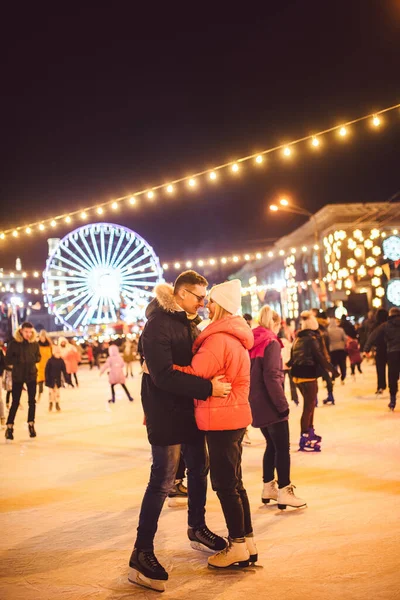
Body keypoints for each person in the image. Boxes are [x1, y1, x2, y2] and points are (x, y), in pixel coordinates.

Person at [128, 271, 232, 592]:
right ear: (181, 293)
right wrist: (208, 387)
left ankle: (196, 527)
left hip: (189, 410)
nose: (204, 303)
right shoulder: (158, 325)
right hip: (165, 412)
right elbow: (163, 375)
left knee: (199, 468)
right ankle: (141, 552)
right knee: (163, 478)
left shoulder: (190, 322)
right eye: (199, 297)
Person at [173, 279, 256, 568]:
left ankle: (237, 546)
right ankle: (247, 540)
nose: (206, 306)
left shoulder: (218, 340)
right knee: (236, 482)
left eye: (210, 302)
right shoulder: (235, 338)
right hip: (234, 416)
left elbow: (194, 374)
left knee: (224, 484)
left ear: (220, 306)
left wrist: (163, 368)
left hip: (221, 417)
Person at [250, 305, 306, 509]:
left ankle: (268, 487)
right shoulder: (271, 342)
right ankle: (284, 490)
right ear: (275, 323)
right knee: (282, 448)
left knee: (271, 445)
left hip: (255, 401)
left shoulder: (251, 341)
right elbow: (272, 376)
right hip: (271, 402)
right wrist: (282, 405)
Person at [290, 312, 339, 451]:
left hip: (297, 376)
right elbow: (319, 357)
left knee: (309, 405)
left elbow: (292, 357)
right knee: (309, 406)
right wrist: (332, 370)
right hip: (308, 375)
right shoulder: (311, 339)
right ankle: (304, 436)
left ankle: (309, 431)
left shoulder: (297, 338)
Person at [5, 322, 41, 440]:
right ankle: (9, 427)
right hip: (18, 376)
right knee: (15, 401)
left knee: (32, 401)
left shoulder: (34, 344)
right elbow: (8, 359)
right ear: (21, 331)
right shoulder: (14, 344)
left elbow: (38, 356)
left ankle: (31, 424)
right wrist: (18, 360)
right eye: (26, 332)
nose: (28, 334)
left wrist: (33, 359)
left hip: (31, 375)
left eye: (30, 332)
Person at [365, 307, 400, 410]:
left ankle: (392, 401)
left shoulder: (385, 325)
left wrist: (366, 348)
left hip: (392, 353)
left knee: (392, 377)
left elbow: (373, 336)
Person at [363, 308, 389, 394]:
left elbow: (371, 337)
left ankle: (381, 386)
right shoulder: (390, 324)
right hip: (390, 348)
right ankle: (393, 384)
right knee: (393, 368)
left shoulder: (375, 326)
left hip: (380, 348)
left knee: (380, 369)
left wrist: (367, 348)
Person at [45, 345, 68, 411]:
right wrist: (47, 379)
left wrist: (66, 378)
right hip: (50, 380)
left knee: (57, 393)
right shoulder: (50, 361)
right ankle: (51, 403)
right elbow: (46, 371)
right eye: (57, 353)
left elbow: (64, 370)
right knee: (51, 393)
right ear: (54, 353)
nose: (58, 354)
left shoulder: (61, 361)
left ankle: (57, 404)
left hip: (58, 379)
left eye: (59, 353)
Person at [327, 317, 348, 384]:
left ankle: (333, 378)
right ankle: (343, 378)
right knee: (342, 364)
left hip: (332, 349)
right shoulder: (340, 330)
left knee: (333, 365)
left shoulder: (328, 331)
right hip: (341, 349)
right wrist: (343, 344)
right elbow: (345, 338)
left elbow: (327, 341)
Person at [37, 330, 53, 401]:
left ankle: (51, 396)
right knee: (40, 381)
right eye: (41, 337)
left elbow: (52, 354)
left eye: (43, 337)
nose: (42, 339)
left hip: (48, 365)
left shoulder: (49, 345)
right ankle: (39, 395)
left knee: (50, 382)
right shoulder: (37, 345)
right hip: (40, 365)